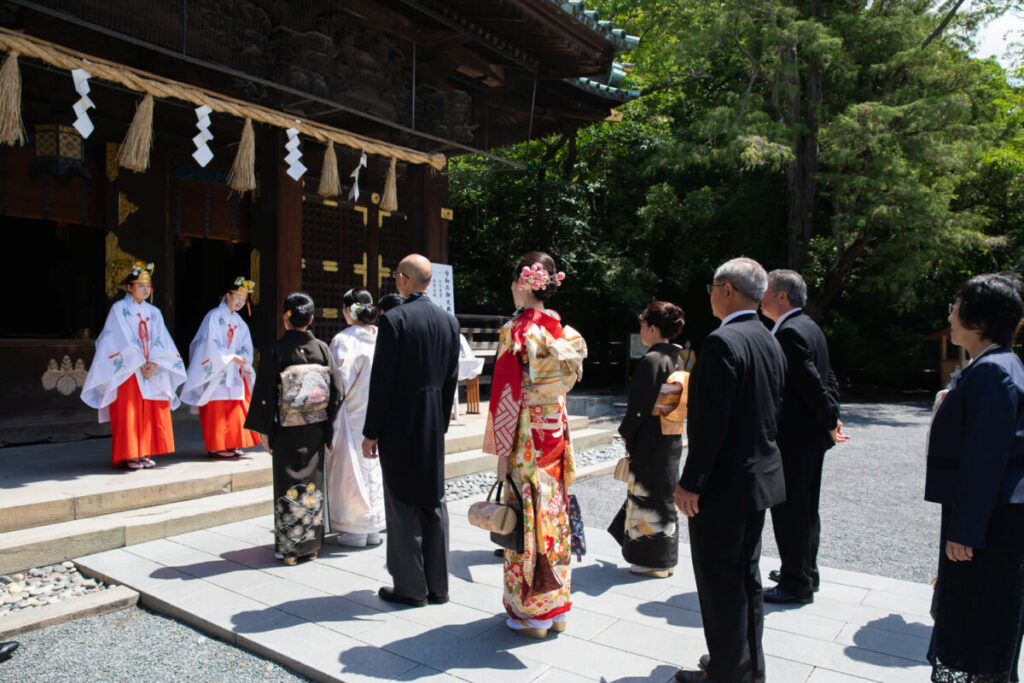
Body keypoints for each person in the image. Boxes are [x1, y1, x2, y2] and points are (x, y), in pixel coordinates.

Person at [673, 257, 786, 683]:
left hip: (724, 484)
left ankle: (725, 671)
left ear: (727, 291)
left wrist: (690, 483)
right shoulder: (768, 337)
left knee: (720, 582)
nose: (710, 295)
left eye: (712, 287)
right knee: (745, 578)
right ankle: (745, 666)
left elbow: (710, 426)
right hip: (757, 479)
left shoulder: (722, 343)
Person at [925, 273, 1024, 683]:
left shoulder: (993, 372)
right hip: (993, 518)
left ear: (979, 320)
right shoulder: (998, 365)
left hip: (989, 524)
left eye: (957, 304)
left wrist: (965, 531)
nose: (950, 313)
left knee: (976, 624)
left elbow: (986, 459)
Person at [484, 251, 587, 639]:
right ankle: (557, 608)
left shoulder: (517, 329)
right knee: (554, 513)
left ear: (523, 283)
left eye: (513, 283)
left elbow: (505, 395)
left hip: (526, 436)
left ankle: (531, 613)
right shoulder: (563, 329)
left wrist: (500, 452)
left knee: (526, 514)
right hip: (555, 432)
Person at [361, 254, 461, 607]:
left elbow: (383, 381)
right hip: (433, 420)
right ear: (430, 282)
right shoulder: (449, 322)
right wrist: (442, 421)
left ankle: (410, 587)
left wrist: (371, 431)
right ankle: (438, 586)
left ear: (402, 279)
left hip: (401, 421)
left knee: (402, 501)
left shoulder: (395, 320)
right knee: (433, 501)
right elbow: (451, 379)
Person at [759, 269, 848, 604]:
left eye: (766, 290)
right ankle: (805, 570)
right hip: (810, 436)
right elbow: (829, 379)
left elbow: (812, 383)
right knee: (807, 507)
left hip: (795, 437)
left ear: (782, 296)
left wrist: (829, 420)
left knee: (792, 509)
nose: (761, 296)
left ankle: (796, 582)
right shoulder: (809, 326)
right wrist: (832, 418)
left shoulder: (790, 333)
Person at [244, 292, 342, 566]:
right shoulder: (322, 349)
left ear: (286, 317)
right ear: (311, 319)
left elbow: (264, 394)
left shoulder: (277, 350)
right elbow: (337, 392)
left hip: (285, 429)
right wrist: (324, 419)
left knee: (288, 484)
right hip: (314, 428)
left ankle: (289, 550)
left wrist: (264, 430)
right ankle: (310, 546)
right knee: (312, 483)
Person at [81, 262, 186, 469]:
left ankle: (144, 452)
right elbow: (118, 337)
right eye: (140, 286)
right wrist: (138, 361)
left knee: (149, 410)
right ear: (129, 288)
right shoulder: (119, 309)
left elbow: (161, 339)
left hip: (150, 367)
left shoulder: (154, 312)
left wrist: (155, 361)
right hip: (129, 369)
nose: (145, 290)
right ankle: (130, 454)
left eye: (148, 286)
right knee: (130, 411)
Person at [609, 302, 686, 578]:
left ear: (652, 328)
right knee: (663, 496)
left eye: (643, 325)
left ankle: (651, 560)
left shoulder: (653, 360)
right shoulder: (676, 358)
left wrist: (626, 432)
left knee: (647, 496)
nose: (641, 330)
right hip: (670, 434)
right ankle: (665, 558)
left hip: (651, 437)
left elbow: (640, 407)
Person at [326, 289, 385, 548]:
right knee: (374, 466)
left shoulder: (344, 339)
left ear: (347, 311)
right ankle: (374, 525)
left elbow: (339, 381)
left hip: (351, 412)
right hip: (379, 411)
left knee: (351, 467)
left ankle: (356, 528)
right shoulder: (381, 336)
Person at [180, 276, 260, 457]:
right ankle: (217, 446)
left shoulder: (240, 323)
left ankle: (232, 443)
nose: (239, 302)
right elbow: (209, 343)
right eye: (236, 297)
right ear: (227, 296)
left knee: (235, 407)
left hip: (234, 370)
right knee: (217, 408)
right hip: (218, 369)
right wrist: (230, 357)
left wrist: (243, 359)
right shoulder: (214, 316)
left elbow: (247, 345)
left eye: (243, 299)